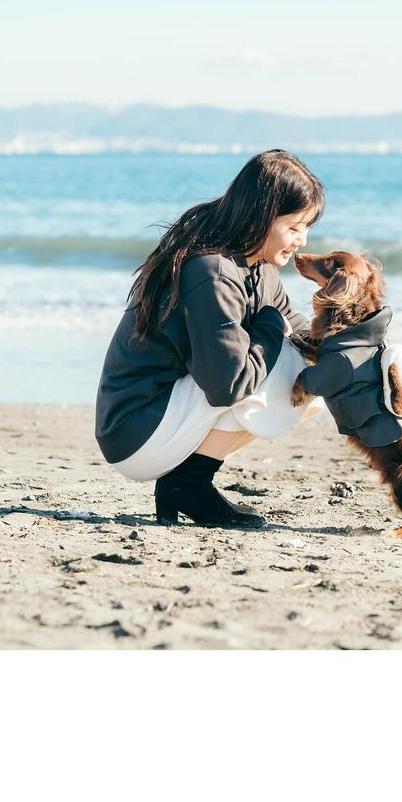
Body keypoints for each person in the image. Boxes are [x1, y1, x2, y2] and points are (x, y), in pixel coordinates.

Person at [95, 149, 326, 528]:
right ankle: (189, 483)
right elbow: (228, 386)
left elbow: (296, 327)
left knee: (312, 367)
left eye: (307, 228)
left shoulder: (255, 264)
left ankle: (187, 482)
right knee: (287, 368)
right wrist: (270, 323)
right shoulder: (211, 270)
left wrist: (358, 355)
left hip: (160, 416)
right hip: (136, 429)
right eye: (295, 227)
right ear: (264, 216)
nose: (302, 240)